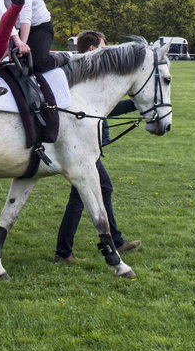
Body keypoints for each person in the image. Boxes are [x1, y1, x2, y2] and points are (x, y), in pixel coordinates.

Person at [54, 30, 141, 263]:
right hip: (80, 148)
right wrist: (136, 105)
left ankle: (114, 240)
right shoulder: (83, 77)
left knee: (99, 190)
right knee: (86, 194)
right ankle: (64, 252)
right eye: (104, 46)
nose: (107, 49)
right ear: (92, 50)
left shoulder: (86, 74)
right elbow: (103, 110)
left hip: (85, 147)